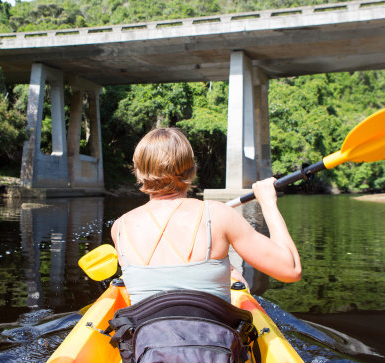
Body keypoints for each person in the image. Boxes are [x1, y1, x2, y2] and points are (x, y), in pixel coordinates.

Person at [110, 127, 302, 305]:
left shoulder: (120, 227)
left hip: (148, 340)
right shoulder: (218, 215)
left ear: (138, 172)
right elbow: (290, 270)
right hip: (211, 339)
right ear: (192, 169)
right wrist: (268, 203)